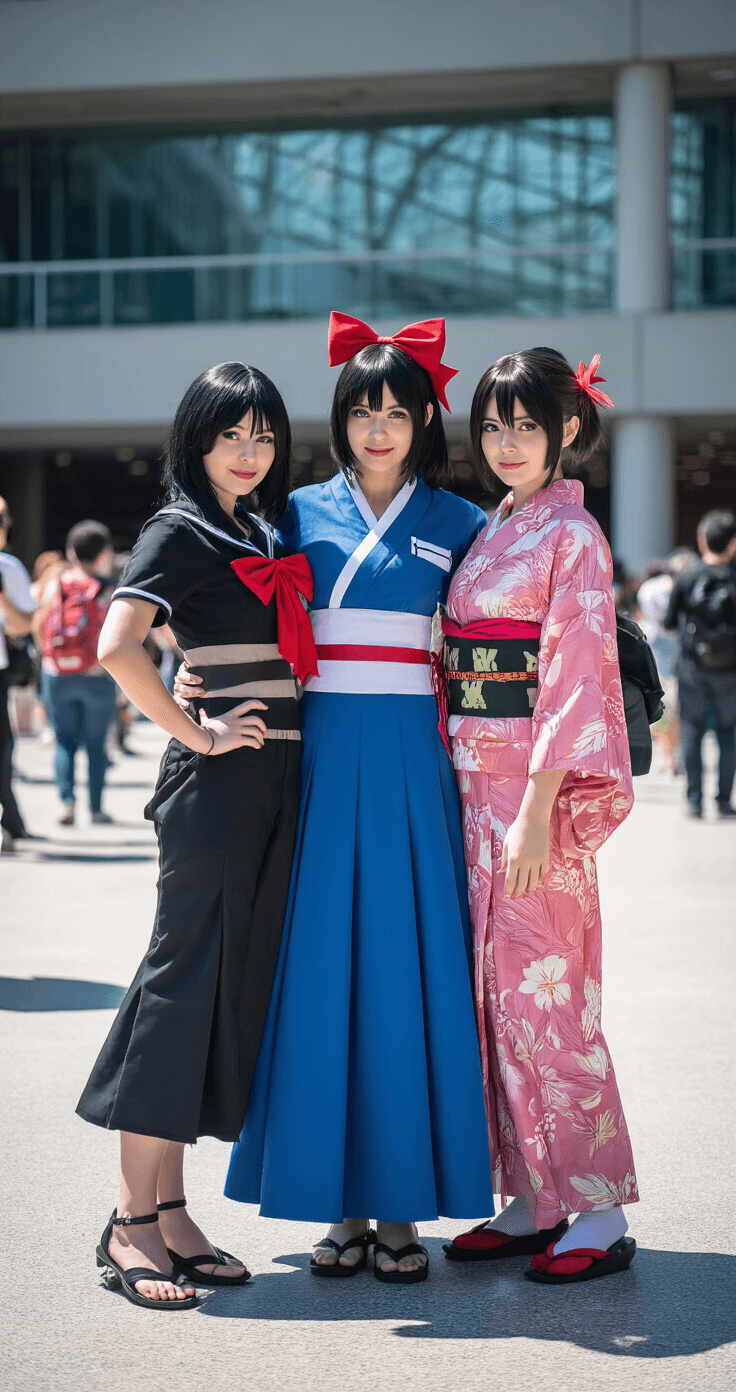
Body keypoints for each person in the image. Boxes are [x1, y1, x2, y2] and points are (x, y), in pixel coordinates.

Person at [205, 315, 494, 1283]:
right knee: (322, 971)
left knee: (406, 976)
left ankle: (403, 1211)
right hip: (319, 758)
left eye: (397, 411)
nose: (378, 428)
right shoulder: (290, 512)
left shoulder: (462, 525)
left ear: (423, 421)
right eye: (361, 411)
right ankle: (335, 1203)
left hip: (416, 761)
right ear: (339, 420)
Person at [76, 362, 308, 1310]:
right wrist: (199, 733)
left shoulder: (256, 525)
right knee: (180, 980)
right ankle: (131, 1222)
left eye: (263, 438)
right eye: (230, 437)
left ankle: (170, 1210)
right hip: (216, 784)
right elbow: (115, 644)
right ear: (196, 441)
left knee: (217, 980)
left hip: (272, 782)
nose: (249, 454)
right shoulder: (179, 529)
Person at [441, 349, 638, 1285]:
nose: (506, 443)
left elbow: (570, 675)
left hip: (534, 796)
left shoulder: (575, 537)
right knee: (492, 997)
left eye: (525, 425)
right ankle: (529, 1196)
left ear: (566, 429)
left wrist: (536, 807)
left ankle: (597, 1206)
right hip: (473, 785)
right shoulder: (495, 528)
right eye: (491, 426)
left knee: (546, 993)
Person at [36, 521, 118, 825]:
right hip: (98, 677)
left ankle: (67, 804)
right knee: (97, 745)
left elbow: (38, 625)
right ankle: (96, 810)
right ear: (105, 553)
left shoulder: (55, 584)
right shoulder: (108, 590)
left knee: (64, 742)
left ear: (70, 551)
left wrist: (47, 659)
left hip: (57, 674)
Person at [664, 509, 736, 819]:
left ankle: (694, 801)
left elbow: (668, 624)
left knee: (692, 730)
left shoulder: (687, 577)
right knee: (728, 734)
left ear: (702, 540)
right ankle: (722, 801)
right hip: (731, 670)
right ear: (733, 543)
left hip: (692, 668)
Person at [0, 497, 35, 852]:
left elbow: (26, 625)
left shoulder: (7, 568)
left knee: (1, 753)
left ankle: (9, 822)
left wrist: (1, 597)